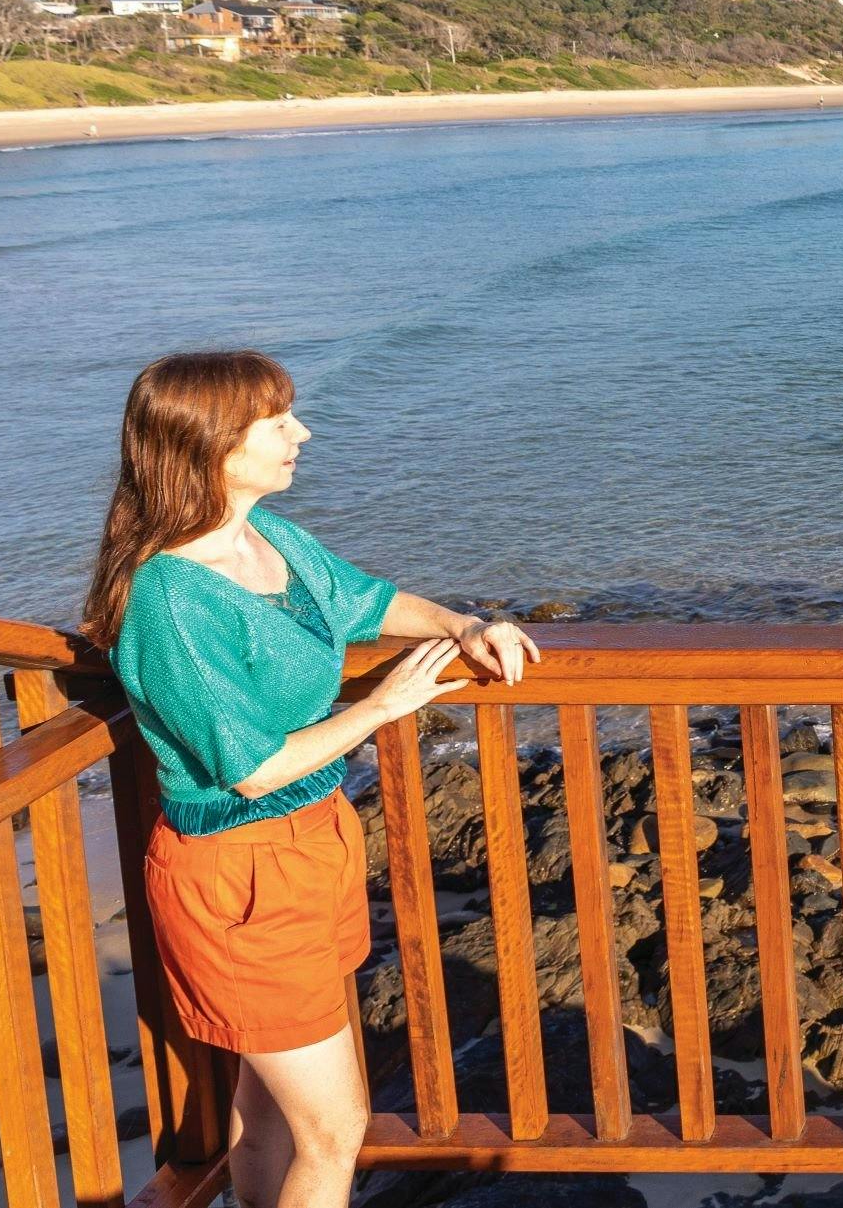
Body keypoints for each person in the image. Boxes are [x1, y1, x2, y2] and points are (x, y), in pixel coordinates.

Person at [84, 351, 537, 1208]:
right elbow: (252, 770)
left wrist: (466, 622)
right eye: (278, 421)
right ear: (211, 445)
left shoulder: (265, 538)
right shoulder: (169, 599)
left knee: (269, 1106)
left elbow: (367, 601)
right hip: (240, 872)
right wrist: (382, 705)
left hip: (315, 842)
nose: (304, 433)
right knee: (336, 1130)